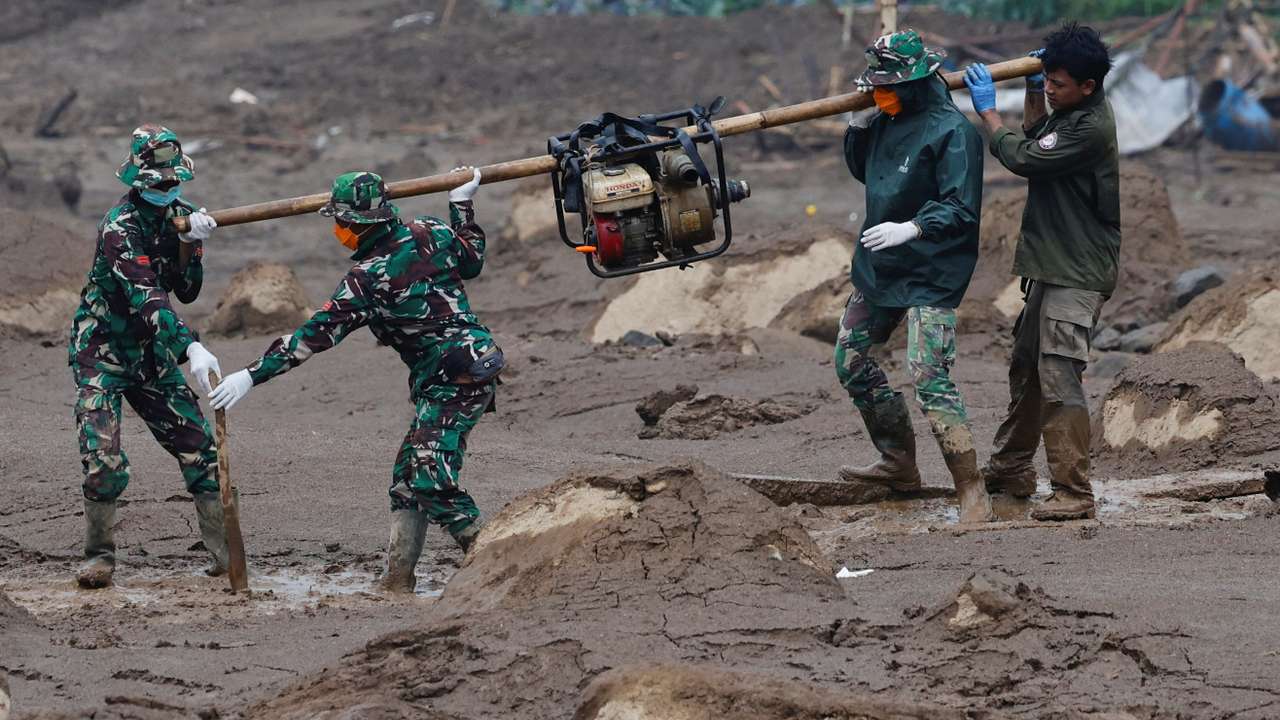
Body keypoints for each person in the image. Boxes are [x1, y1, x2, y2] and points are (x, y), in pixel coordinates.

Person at [208, 168, 502, 593]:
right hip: (461, 370)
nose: (336, 230)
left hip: (458, 378)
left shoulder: (366, 280)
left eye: (339, 222)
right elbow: (472, 259)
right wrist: (461, 206)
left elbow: (311, 338)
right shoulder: (430, 232)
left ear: (356, 224)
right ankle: (397, 581)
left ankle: (497, 557)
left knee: (429, 479)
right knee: (407, 481)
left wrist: (251, 376)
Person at [963, 22, 1119, 520]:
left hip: (1078, 271)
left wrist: (987, 110)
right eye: (1047, 79)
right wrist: (1033, 87)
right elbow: (1036, 133)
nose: (1050, 89)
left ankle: (1074, 492)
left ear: (1088, 87)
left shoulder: (1089, 127)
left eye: (1057, 83)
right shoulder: (1070, 112)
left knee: (1058, 375)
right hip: (1052, 265)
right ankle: (1012, 468)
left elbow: (1025, 156)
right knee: (1027, 368)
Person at [836, 30, 992, 523]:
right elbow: (869, 173)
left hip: (933, 267)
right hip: (882, 264)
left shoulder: (953, 132)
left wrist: (914, 227)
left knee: (928, 374)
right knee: (851, 359)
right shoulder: (885, 119)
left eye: (888, 88)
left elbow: (961, 208)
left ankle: (971, 488)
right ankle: (898, 462)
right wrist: (857, 130)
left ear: (916, 83)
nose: (880, 95)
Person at [70, 124, 225, 588]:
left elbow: (187, 290)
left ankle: (224, 553)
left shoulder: (183, 215)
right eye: (160, 182)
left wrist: (191, 244)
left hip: (151, 354)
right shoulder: (119, 228)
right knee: (103, 460)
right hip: (102, 352)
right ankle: (99, 556)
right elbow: (147, 298)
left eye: (175, 182)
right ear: (139, 182)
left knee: (199, 448)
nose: (169, 189)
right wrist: (191, 347)